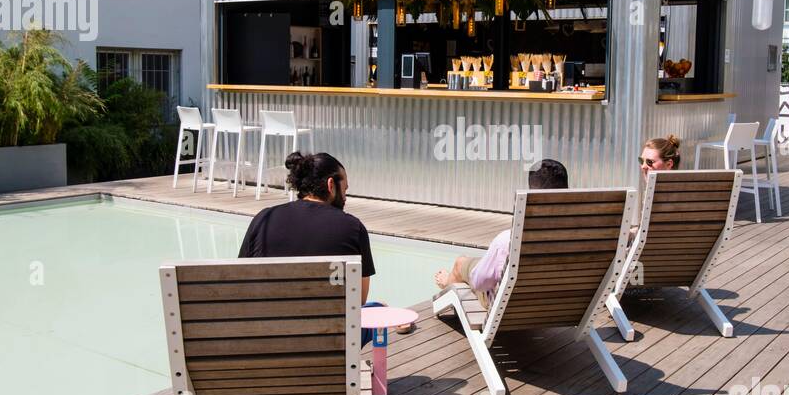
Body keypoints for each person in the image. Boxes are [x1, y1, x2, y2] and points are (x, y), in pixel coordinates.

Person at [238, 151, 405, 340]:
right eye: (345, 189)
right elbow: (359, 300)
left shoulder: (263, 219)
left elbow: (243, 284)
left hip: (267, 341)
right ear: (331, 185)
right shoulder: (352, 227)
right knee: (378, 308)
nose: (345, 196)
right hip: (333, 345)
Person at [433, 158, 569, 306]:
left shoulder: (509, 241)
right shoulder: (584, 237)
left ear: (530, 193)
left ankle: (448, 282)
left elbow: (480, 284)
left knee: (461, 264)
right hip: (559, 303)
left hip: (513, 306)